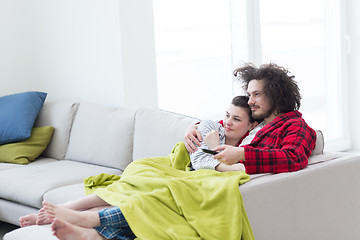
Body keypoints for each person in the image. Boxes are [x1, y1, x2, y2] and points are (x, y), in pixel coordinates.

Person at [184, 62, 317, 174]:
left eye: (257, 94)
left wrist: (242, 154)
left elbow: (293, 158)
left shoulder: (295, 126)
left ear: (276, 96)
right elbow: (221, 125)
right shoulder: (258, 120)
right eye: (249, 95)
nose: (250, 101)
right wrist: (193, 128)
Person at [190, 95, 259, 172]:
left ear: (252, 125)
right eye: (227, 115)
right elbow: (199, 161)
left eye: (236, 119)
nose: (228, 122)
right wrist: (237, 168)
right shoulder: (209, 127)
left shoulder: (250, 144)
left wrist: (215, 148)